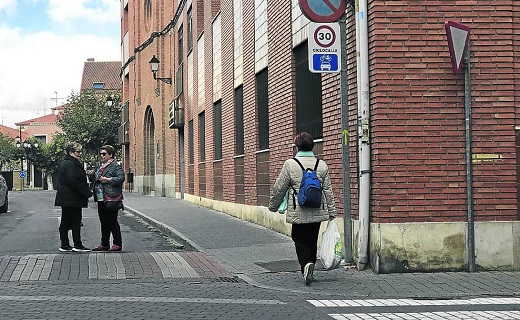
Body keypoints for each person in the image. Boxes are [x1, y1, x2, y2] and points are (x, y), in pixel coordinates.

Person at [268, 132, 337, 285]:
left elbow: (279, 188)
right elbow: (328, 190)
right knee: (312, 239)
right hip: (317, 208)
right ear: (312, 146)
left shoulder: (290, 164)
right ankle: (311, 264)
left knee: (299, 238)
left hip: (297, 208)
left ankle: (306, 264)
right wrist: (332, 212)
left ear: (297, 146)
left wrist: (273, 206)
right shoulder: (321, 164)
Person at [54, 142, 92, 252]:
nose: (80, 154)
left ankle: (65, 244)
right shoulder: (71, 164)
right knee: (75, 220)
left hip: (67, 197)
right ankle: (77, 244)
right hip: (72, 198)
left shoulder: (67, 163)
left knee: (66, 221)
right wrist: (86, 192)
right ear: (71, 152)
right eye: (78, 152)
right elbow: (74, 181)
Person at [91, 145, 125, 252]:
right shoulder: (101, 166)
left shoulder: (115, 166)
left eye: (104, 154)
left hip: (111, 198)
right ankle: (104, 243)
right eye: (101, 154)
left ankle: (117, 243)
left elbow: (121, 178)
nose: (102, 156)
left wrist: (108, 180)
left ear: (110, 155)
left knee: (112, 221)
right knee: (103, 221)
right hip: (101, 198)